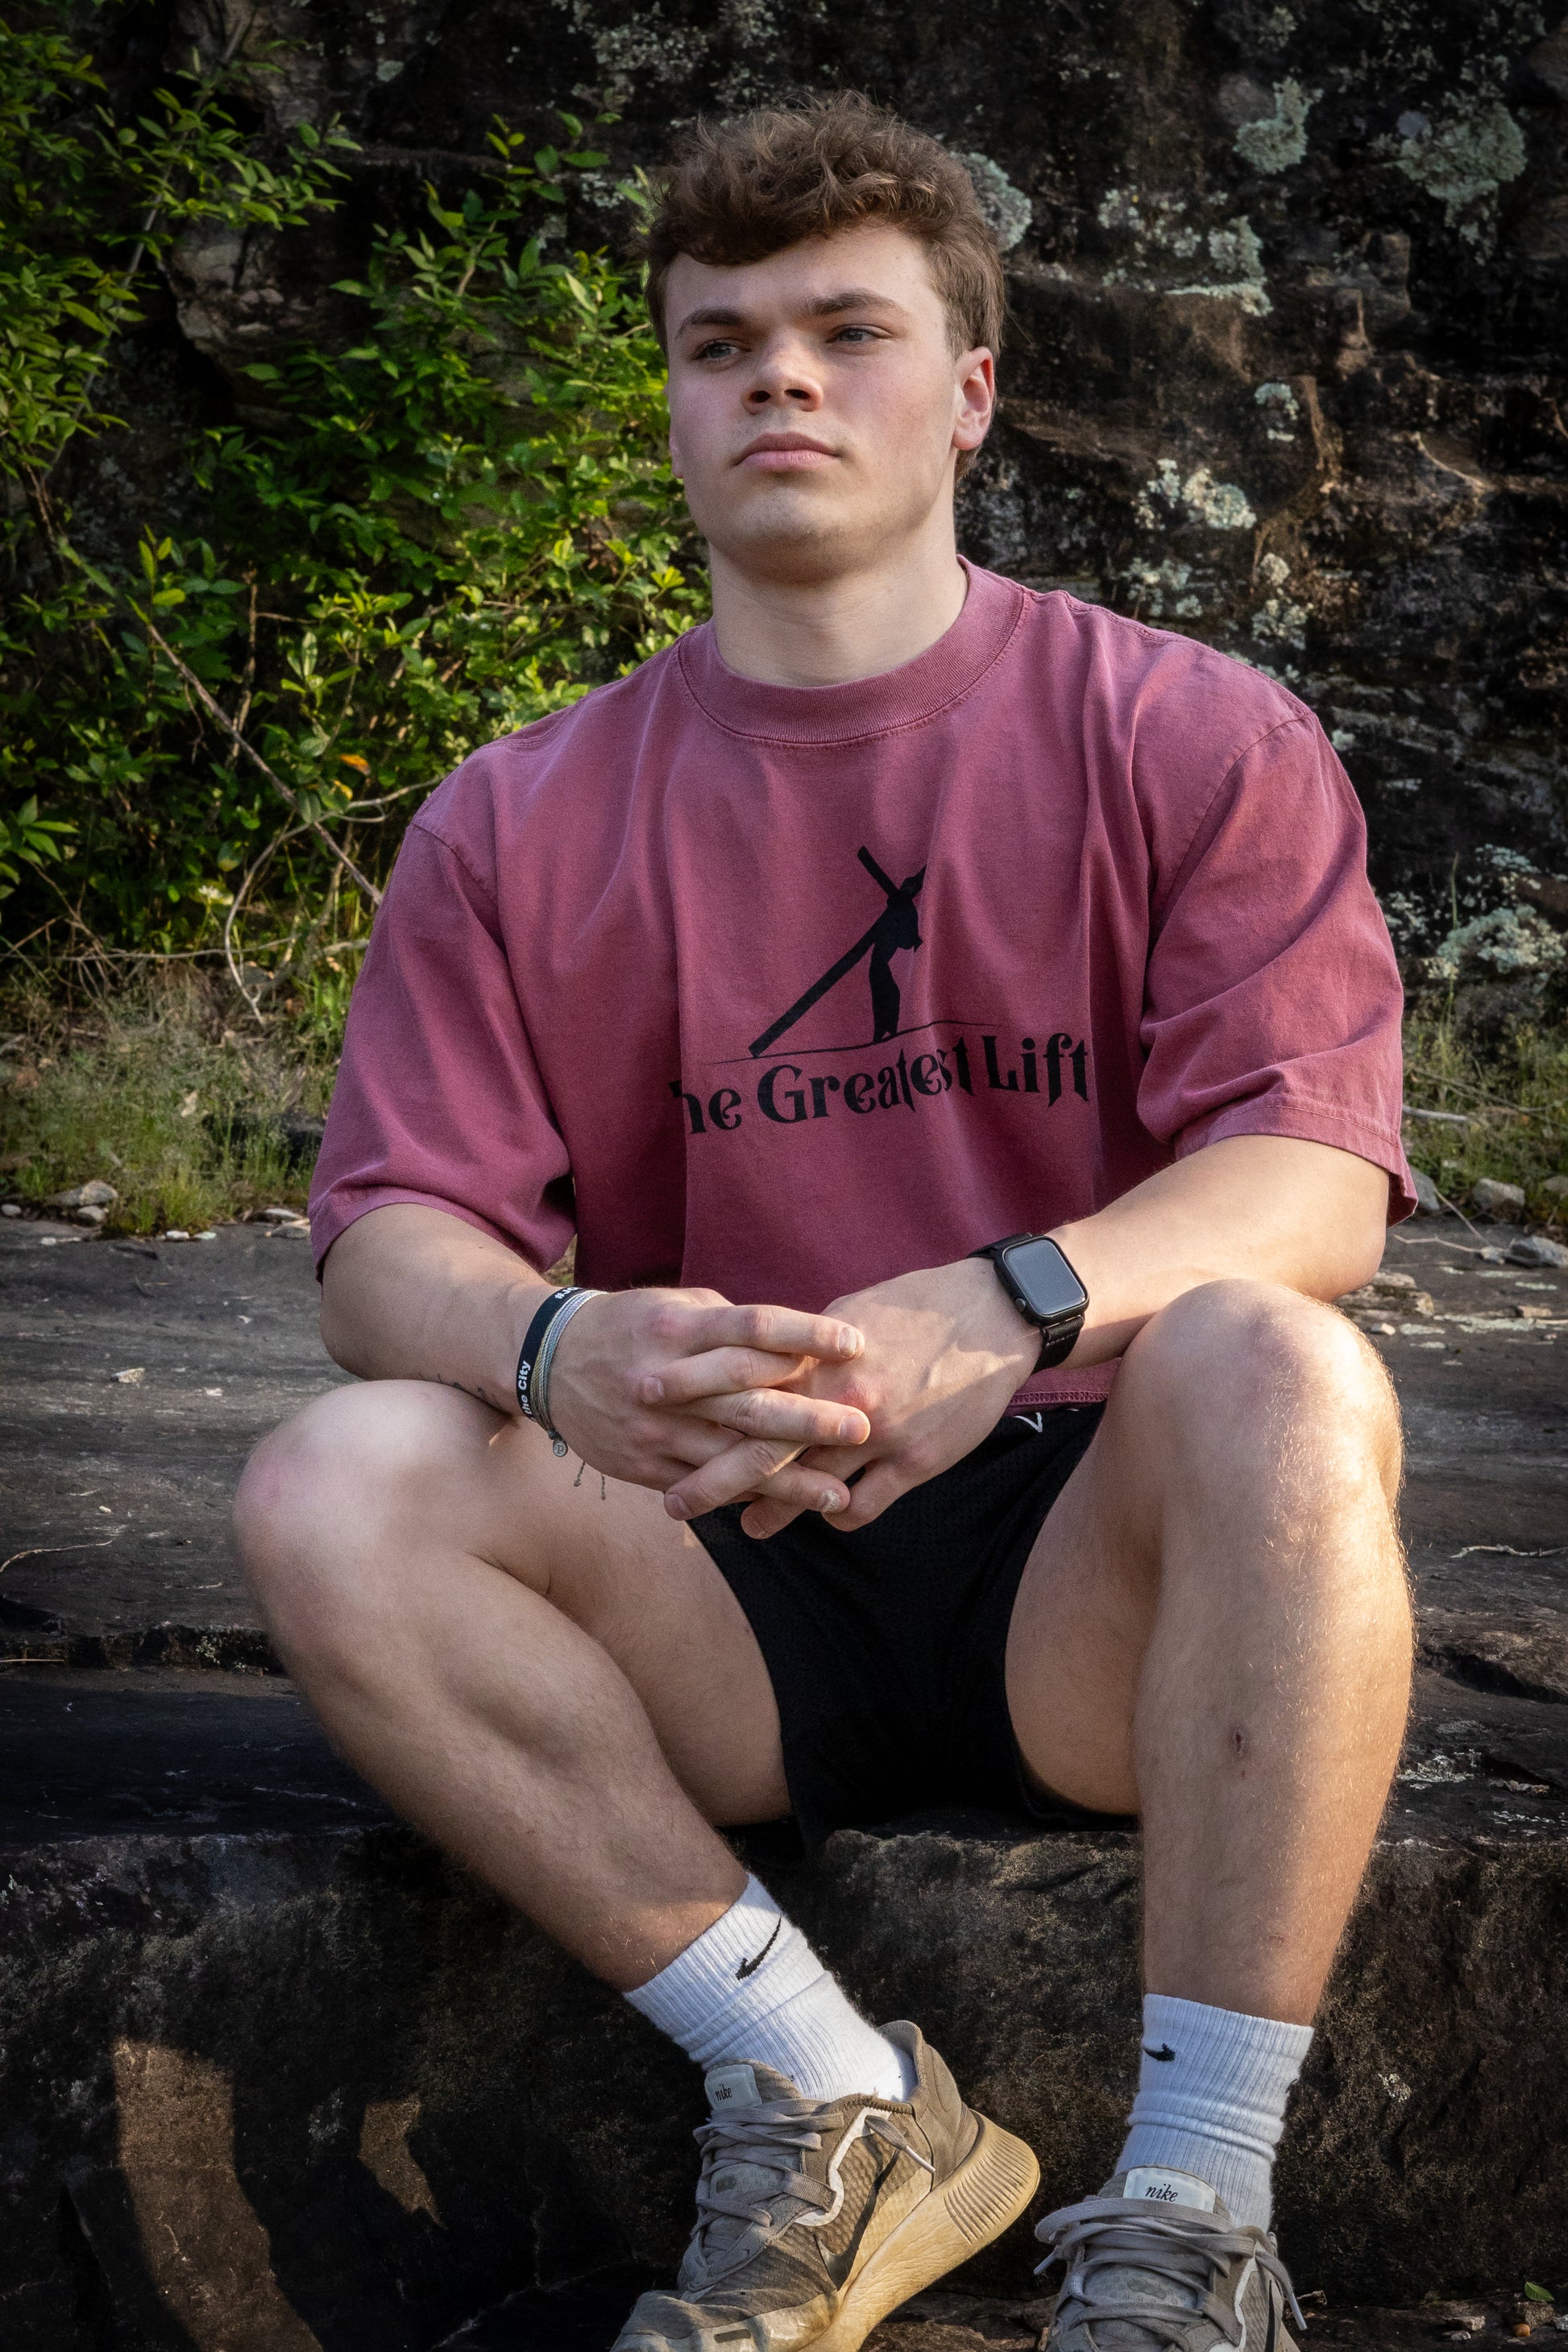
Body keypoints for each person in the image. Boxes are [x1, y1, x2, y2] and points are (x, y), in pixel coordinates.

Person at [234, 92, 1415, 2352]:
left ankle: (1195, 2211)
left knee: (1279, 1359)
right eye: (721, 344)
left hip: (1095, 1572)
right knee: (340, 1478)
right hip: (724, 1574)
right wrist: (555, 1346)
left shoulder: (1192, 736)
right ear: (675, 408)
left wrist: (1013, 1303)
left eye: (845, 332)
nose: (778, 376)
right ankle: (834, 2096)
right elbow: (386, 1243)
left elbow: (1313, 1178)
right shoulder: (515, 817)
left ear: (967, 390)